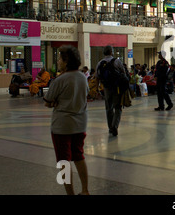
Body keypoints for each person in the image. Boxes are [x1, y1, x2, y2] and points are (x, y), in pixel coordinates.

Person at [43, 45, 90, 195]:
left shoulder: (60, 80)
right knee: (79, 156)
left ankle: (70, 193)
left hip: (62, 125)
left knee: (64, 161)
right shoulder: (83, 77)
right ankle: (85, 190)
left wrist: (54, 102)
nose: (58, 61)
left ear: (66, 60)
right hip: (80, 123)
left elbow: (47, 101)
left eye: (60, 58)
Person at [95, 45, 127, 136]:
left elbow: (97, 77)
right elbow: (123, 74)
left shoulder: (100, 63)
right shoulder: (117, 61)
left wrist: (97, 89)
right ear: (111, 52)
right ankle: (115, 126)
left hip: (106, 88)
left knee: (109, 108)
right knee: (118, 107)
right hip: (117, 88)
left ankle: (110, 127)